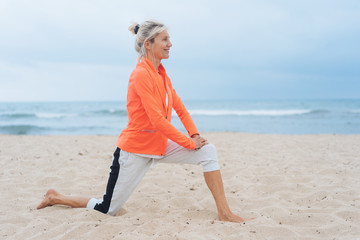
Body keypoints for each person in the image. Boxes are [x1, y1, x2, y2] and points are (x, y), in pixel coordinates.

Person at [37, 20, 247, 223]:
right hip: (134, 151)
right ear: (148, 44)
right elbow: (156, 119)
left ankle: (224, 212)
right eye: (164, 39)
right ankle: (55, 197)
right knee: (107, 209)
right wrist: (189, 143)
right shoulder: (140, 75)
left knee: (208, 152)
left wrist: (194, 134)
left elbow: (179, 108)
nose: (170, 44)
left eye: (169, 39)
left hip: (159, 145)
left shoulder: (162, 74)